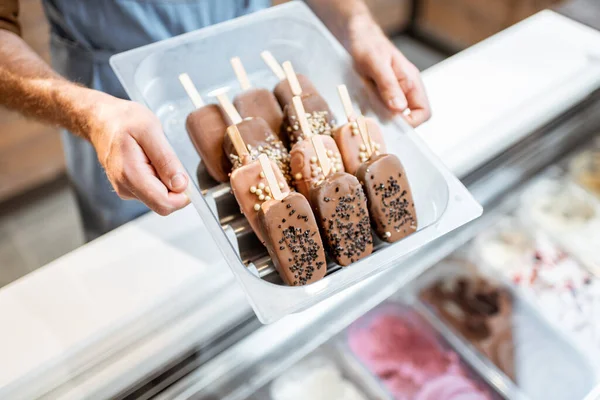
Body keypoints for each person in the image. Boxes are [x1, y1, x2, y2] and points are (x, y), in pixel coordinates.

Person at [0, 0, 431, 240]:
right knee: (154, 284)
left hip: (249, 56)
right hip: (114, 102)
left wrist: (358, 25)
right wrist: (90, 113)